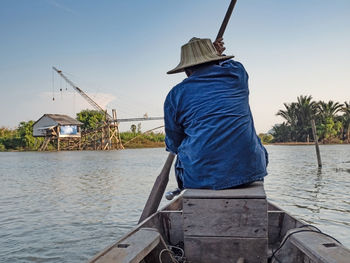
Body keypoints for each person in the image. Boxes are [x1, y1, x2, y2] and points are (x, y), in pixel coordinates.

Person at [164, 37, 268, 190]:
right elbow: (229, 64)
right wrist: (217, 54)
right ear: (216, 60)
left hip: (200, 177)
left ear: (187, 70)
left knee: (182, 158)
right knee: (257, 148)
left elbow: (174, 143)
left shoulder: (175, 94)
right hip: (250, 170)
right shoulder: (237, 75)